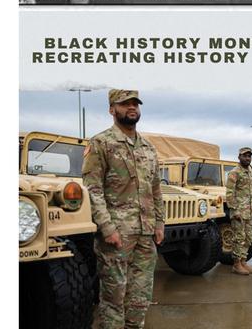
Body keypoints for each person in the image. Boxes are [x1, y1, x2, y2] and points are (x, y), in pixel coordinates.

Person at [82, 89, 164, 328]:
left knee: (140, 295)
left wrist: (160, 223)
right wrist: (107, 227)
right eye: (124, 104)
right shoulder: (101, 143)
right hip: (117, 234)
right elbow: (92, 189)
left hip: (146, 234)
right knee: (113, 296)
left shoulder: (148, 148)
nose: (132, 108)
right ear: (111, 109)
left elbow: (156, 189)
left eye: (135, 104)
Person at [225, 147, 252, 275]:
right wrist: (235, 210)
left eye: (249, 156)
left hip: (249, 211)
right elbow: (229, 193)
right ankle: (236, 264)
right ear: (239, 157)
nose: (247, 158)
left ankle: (244, 261)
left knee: (249, 237)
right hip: (238, 211)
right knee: (239, 237)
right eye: (245, 156)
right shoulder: (234, 172)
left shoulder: (251, 171)